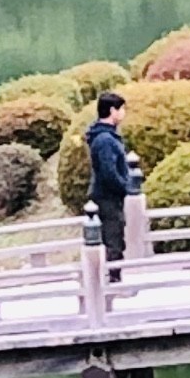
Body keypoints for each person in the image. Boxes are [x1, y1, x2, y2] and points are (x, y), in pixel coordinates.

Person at [83, 87, 140, 268]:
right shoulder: (105, 140)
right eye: (121, 109)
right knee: (113, 238)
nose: (123, 113)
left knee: (113, 236)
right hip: (108, 197)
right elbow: (109, 172)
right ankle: (114, 277)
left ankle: (113, 274)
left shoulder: (104, 136)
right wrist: (124, 186)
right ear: (112, 110)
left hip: (107, 195)